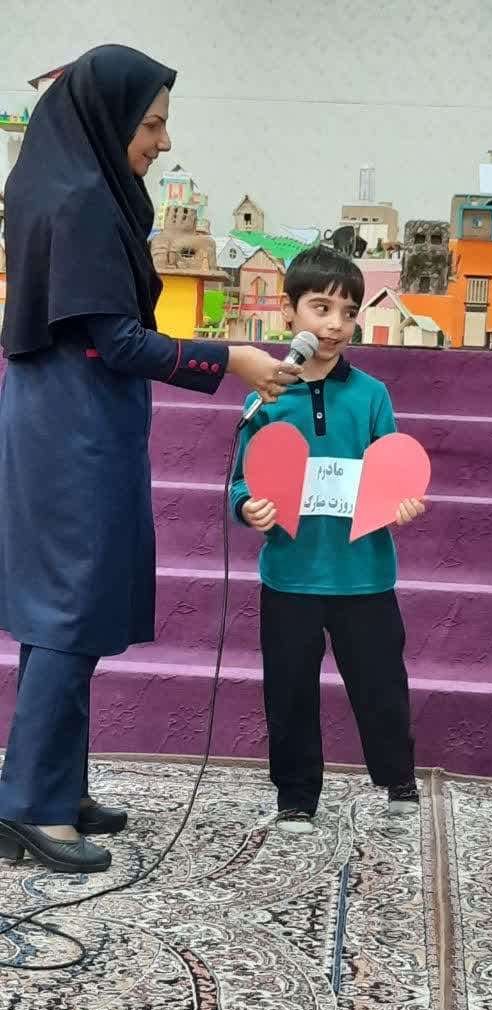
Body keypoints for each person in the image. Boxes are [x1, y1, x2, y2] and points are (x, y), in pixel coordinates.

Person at [0, 45, 299, 876]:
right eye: (153, 123)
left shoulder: (59, 183)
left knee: (68, 608)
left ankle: (50, 784)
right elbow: (118, 339)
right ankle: (31, 806)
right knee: (69, 609)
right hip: (72, 426)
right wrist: (231, 359)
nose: (163, 143)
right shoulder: (82, 203)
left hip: (65, 413)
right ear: (111, 116)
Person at [230, 245, 425, 835]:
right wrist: (248, 506)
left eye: (348, 311)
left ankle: (397, 777)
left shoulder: (372, 395)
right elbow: (242, 479)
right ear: (288, 311)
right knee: (288, 690)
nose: (336, 324)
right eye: (321, 308)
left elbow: (391, 470)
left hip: (364, 574)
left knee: (381, 684)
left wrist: (401, 501)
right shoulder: (264, 400)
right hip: (290, 575)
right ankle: (295, 796)